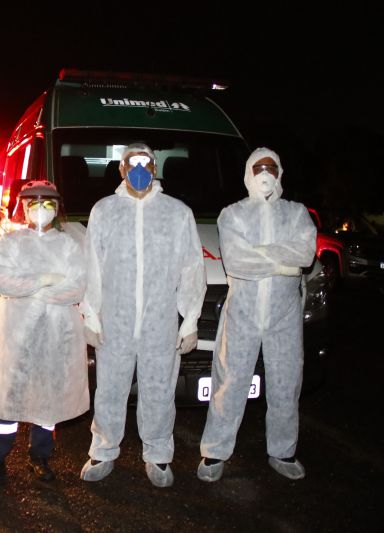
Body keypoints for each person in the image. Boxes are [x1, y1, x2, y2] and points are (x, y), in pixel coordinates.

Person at [79, 143, 206, 487]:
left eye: (145, 162)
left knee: (159, 390)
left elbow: (192, 267)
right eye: (131, 163)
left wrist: (190, 319)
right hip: (114, 321)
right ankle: (103, 449)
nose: (138, 169)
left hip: (159, 322)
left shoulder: (176, 213)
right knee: (109, 389)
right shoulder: (104, 211)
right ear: (121, 170)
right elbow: (91, 266)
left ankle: (158, 453)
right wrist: (91, 315)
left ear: (154, 168)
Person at [197, 148, 316, 482]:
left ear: (280, 173)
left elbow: (305, 254)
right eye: (259, 167)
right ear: (248, 172)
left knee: (286, 382)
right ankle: (214, 451)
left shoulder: (296, 213)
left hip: (283, 315)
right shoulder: (232, 214)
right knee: (229, 382)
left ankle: (283, 450)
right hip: (242, 313)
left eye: (271, 168)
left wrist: (261, 256)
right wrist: (283, 264)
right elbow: (237, 261)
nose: (265, 174)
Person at [0, 180, 89, 485]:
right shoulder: (12, 243)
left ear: (57, 208)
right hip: (15, 332)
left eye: (48, 203)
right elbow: (4, 283)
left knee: (48, 396)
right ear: (25, 208)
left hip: (56, 332)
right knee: (8, 396)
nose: (41, 209)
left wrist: (31, 290)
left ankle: (40, 456)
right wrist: (44, 281)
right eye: (34, 204)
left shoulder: (68, 245)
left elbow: (76, 287)